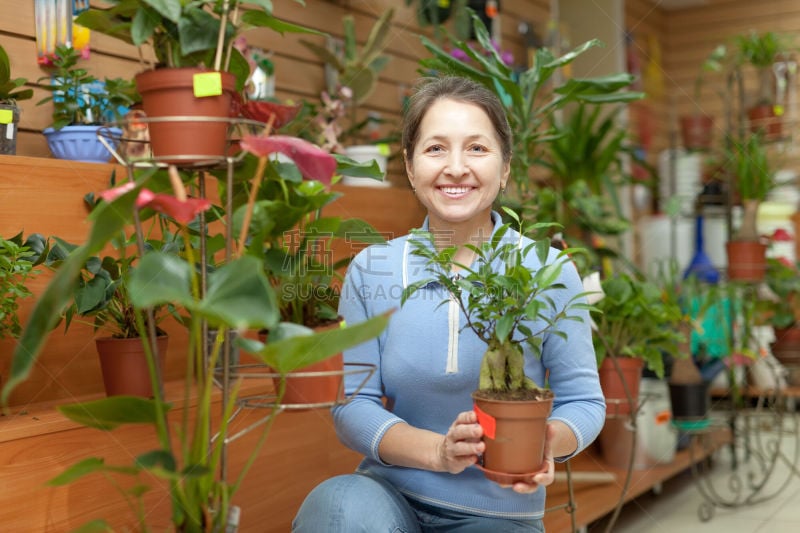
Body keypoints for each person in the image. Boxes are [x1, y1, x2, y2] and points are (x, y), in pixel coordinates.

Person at [292, 76, 605, 532]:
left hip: (497, 514)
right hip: (387, 499)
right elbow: (351, 405)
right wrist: (438, 452)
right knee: (337, 505)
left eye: (477, 148)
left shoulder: (547, 271)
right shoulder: (372, 269)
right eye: (436, 149)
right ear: (410, 164)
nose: (456, 168)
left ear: (505, 168)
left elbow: (584, 401)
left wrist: (545, 442)